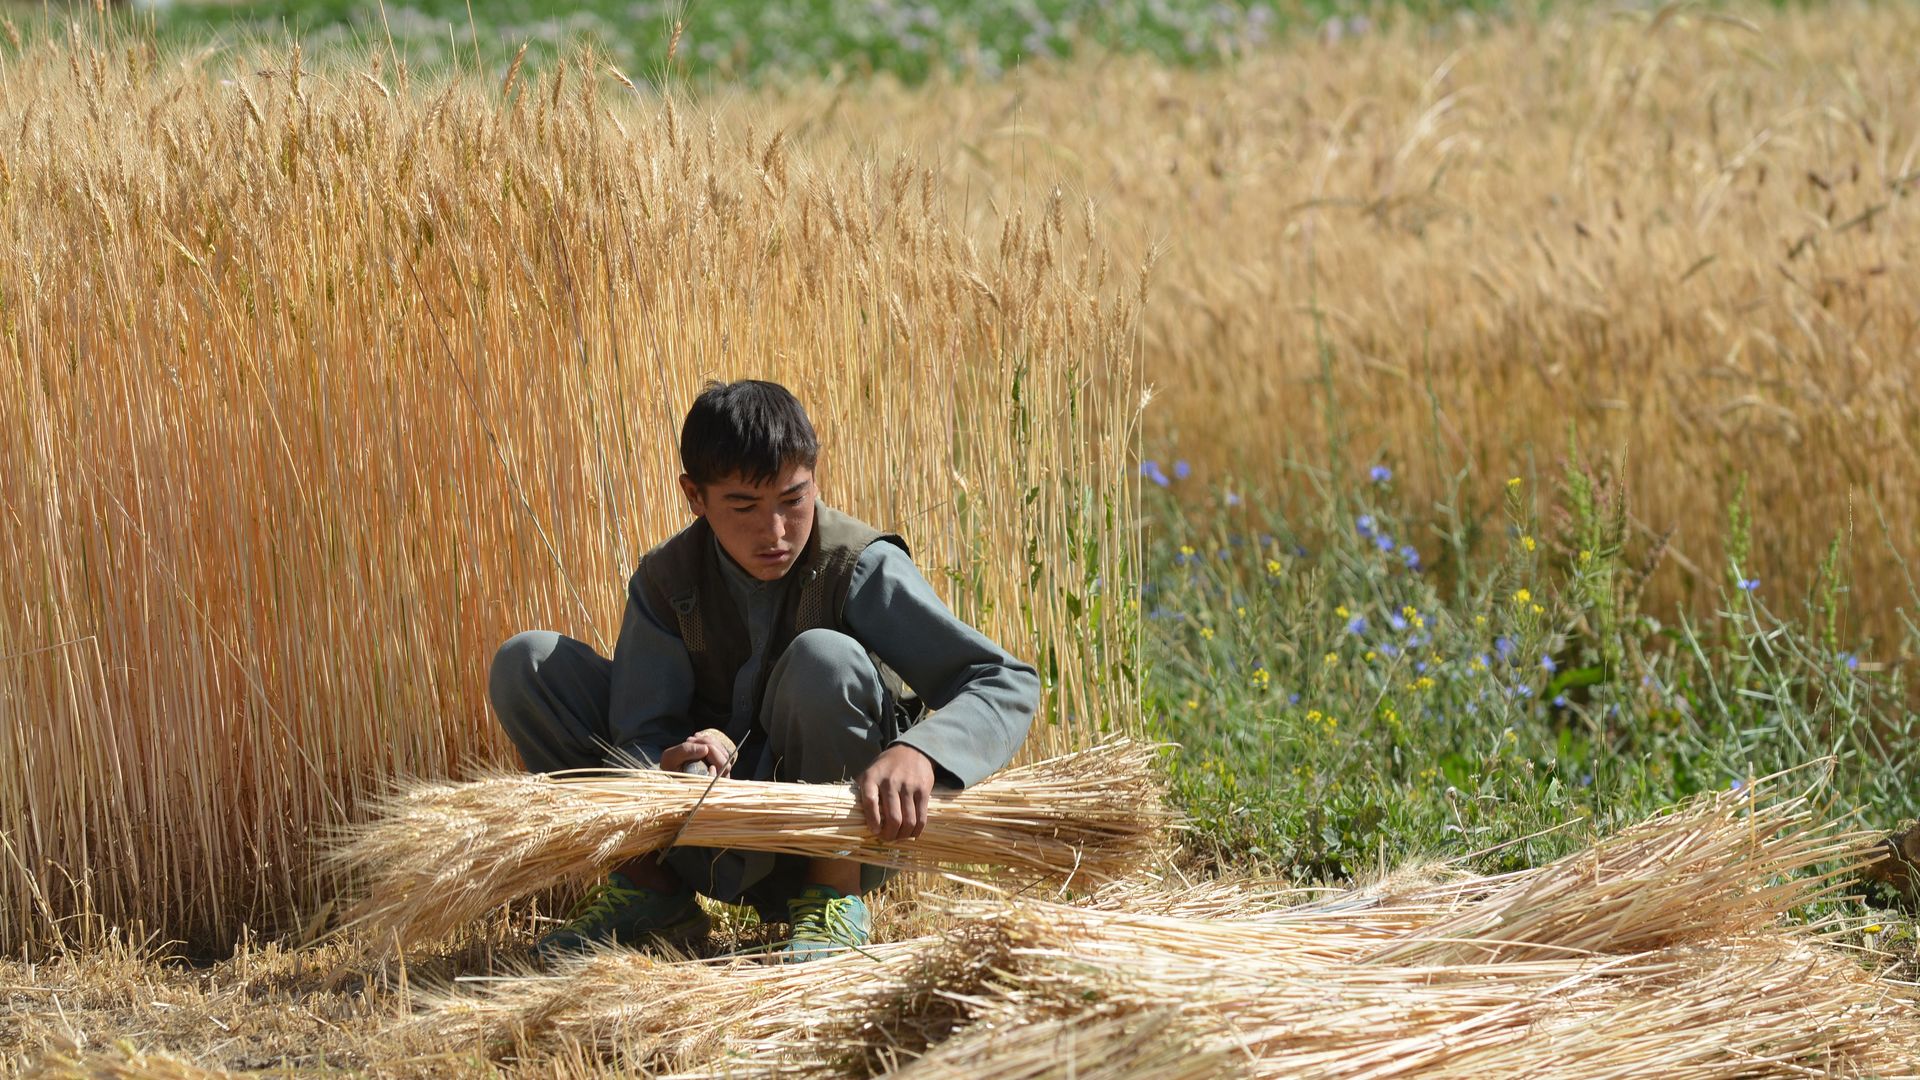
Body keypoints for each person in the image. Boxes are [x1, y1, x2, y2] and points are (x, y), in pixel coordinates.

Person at [488, 379, 1040, 962]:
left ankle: (833, 899)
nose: (775, 532)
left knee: (824, 657)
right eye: (745, 507)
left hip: (844, 826)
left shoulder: (859, 565)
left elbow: (1003, 679)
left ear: (815, 479)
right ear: (694, 497)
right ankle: (651, 895)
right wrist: (675, 764)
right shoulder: (666, 581)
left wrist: (921, 754)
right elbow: (640, 732)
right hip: (704, 827)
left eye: (793, 500)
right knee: (527, 663)